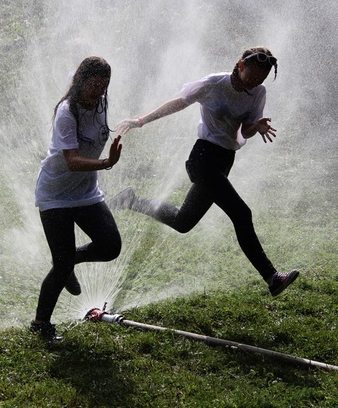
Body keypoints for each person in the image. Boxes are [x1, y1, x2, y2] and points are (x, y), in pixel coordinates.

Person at [114, 47, 299, 297]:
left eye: (261, 80)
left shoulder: (258, 93)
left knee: (183, 222)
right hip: (203, 158)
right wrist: (141, 121)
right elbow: (179, 103)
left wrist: (256, 125)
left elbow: (244, 132)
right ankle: (272, 277)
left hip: (224, 160)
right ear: (241, 66)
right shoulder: (214, 84)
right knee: (242, 214)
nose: (256, 83)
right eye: (253, 76)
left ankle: (131, 200)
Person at [31, 56, 124, 342]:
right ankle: (41, 324)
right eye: (93, 85)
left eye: (103, 86)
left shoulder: (101, 105)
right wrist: (107, 162)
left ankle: (68, 261)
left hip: (85, 192)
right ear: (80, 82)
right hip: (56, 194)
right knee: (61, 267)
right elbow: (71, 161)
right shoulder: (66, 112)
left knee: (110, 246)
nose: (98, 92)